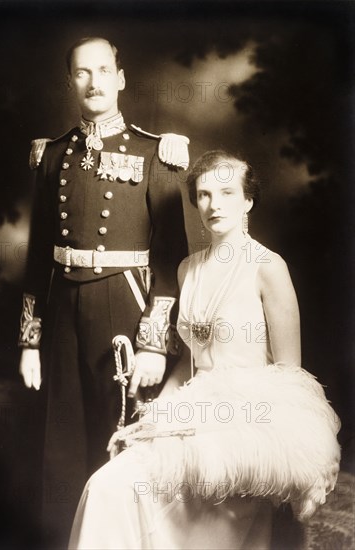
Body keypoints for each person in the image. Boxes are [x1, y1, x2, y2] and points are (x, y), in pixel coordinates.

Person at [69, 150, 341, 550]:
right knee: (107, 485)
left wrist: (252, 444)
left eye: (227, 192)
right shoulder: (187, 268)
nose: (214, 205)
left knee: (185, 503)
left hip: (248, 427)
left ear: (247, 200)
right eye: (204, 194)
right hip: (192, 409)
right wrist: (153, 420)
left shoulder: (268, 267)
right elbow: (189, 362)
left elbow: (290, 376)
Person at [18, 37, 189, 547]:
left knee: (122, 436)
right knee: (62, 442)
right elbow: (34, 257)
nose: (93, 82)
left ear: (120, 77)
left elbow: (171, 259)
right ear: (71, 81)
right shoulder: (52, 156)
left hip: (125, 305)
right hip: (63, 309)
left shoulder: (153, 151)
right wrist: (29, 340)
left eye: (102, 70)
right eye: (80, 72)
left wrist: (156, 344)